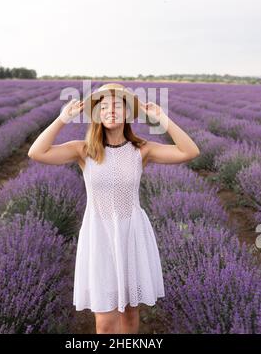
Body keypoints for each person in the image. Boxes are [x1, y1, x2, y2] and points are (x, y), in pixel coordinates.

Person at [28, 83, 200, 334]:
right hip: (99, 237)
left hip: (132, 234)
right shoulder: (84, 150)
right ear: (97, 114)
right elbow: (36, 152)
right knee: (106, 323)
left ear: (128, 114)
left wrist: (162, 118)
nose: (110, 111)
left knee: (130, 315)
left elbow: (190, 151)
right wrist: (62, 118)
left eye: (117, 106)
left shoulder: (142, 149)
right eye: (104, 107)